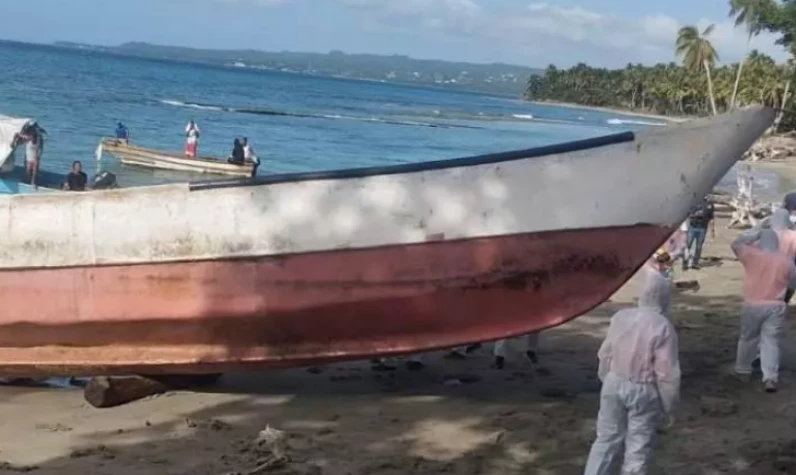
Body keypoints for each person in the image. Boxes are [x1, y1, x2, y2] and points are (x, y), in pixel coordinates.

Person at [583, 249, 680, 475]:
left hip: (614, 380)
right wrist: (670, 405)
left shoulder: (621, 317)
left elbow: (605, 353)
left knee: (606, 437)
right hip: (644, 388)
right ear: (664, 298)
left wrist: (606, 377)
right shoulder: (663, 326)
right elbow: (667, 373)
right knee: (638, 446)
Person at [730, 229, 796, 393]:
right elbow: (792, 285)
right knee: (771, 341)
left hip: (753, 303)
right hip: (776, 304)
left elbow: (735, 244)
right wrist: (785, 299)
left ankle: (742, 370)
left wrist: (754, 234)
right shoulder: (787, 262)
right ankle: (770, 377)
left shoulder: (753, 256)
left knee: (748, 338)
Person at [684, 198, 715, 270]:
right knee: (688, 245)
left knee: (699, 246)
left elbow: (712, 218)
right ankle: (685, 262)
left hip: (703, 228)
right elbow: (686, 214)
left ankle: (695, 263)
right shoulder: (693, 201)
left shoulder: (709, 204)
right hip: (693, 227)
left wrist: (712, 230)